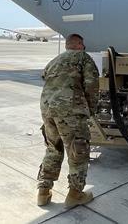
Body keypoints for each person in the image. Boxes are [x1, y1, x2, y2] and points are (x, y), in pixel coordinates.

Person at [37, 33, 99, 207]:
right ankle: (75, 195)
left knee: (53, 148)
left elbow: (45, 78)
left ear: (67, 46)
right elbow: (92, 86)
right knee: (77, 151)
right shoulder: (83, 58)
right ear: (79, 44)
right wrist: (91, 112)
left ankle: (43, 192)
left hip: (47, 109)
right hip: (70, 111)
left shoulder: (54, 61)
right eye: (83, 44)